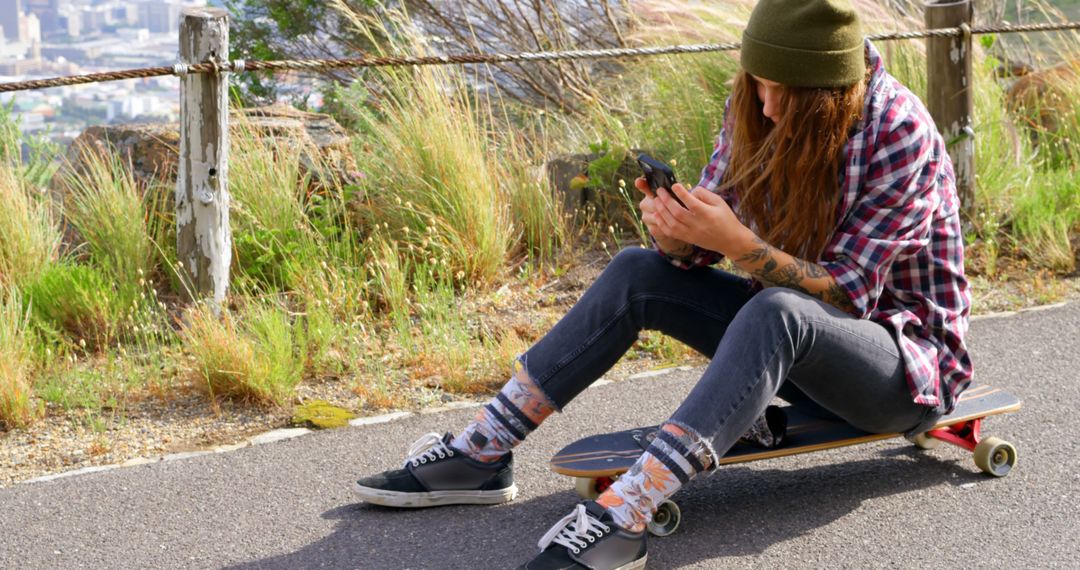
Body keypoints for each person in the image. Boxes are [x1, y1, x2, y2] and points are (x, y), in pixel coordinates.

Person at [353, 0, 973, 568]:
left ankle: (627, 514)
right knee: (637, 271)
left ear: (829, 93)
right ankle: (482, 454)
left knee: (780, 309)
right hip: (792, 360)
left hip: (902, 372)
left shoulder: (898, 131)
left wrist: (740, 246)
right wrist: (679, 236)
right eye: (758, 82)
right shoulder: (754, 113)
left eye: (785, 93)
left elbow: (847, 292)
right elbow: (703, 242)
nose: (766, 105)